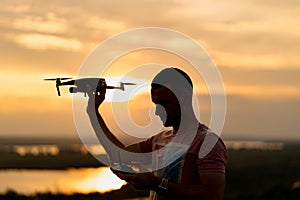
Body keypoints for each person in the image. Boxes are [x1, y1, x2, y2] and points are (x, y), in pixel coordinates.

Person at [86, 67, 227, 200]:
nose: (157, 111)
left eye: (163, 104)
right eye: (155, 104)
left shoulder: (206, 142)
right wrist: (93, 113)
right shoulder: (159, 140)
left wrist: (156, 184)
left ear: (183, 97)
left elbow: (213, 195)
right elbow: (119, 154)